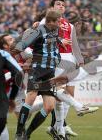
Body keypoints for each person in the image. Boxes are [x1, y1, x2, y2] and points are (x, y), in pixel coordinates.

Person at [34, 0, 99, 139]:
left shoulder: (70, 25)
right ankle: (61, 129)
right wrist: (58, 40)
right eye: (58, 4)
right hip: (57, 58)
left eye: (63, 5)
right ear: (52, 7)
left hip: (70, 59)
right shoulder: (46, 21)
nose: (61, 6)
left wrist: (80, 60)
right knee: (58, 93)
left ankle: (58, 127)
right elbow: (40, 35)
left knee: (69, 93)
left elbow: (75, 45)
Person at [14, 9, 64, 139]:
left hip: (50, 71)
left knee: (49, 106)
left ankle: (28, 133)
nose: (60, 23)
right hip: (37, 70)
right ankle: (19, 132)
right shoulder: (38, 31)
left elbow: (54, 43)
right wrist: (15, 50)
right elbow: (24, 43)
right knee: (30, 98)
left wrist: (58, 52)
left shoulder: (56, 30)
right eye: (58, 21)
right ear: (51, 21)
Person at [0, 34, 43, 140]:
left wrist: (28, 62)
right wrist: (20, 67)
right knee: (1, 120)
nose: (13, 40)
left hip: (18, 89)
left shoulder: (22, 50)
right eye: (10, 40)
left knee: (21, 118)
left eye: (13, 38)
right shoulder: (0, 56)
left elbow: (34, 57)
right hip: (3, 90)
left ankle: (20, 137)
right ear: (4, 45)